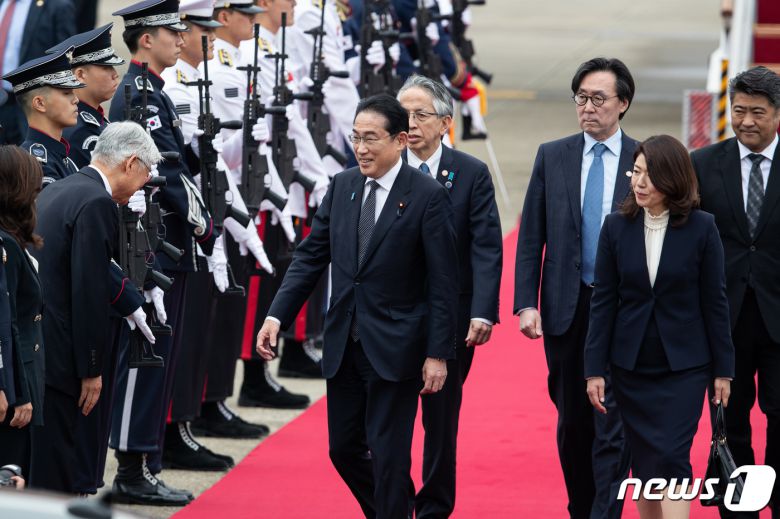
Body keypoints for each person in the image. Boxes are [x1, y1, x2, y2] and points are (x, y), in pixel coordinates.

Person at [256, 94, 457, 517]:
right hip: (344, 343)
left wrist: (438, 353)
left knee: (389, 456)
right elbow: (311, 257)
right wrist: (276, 316)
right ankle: (395, 510)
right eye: (355, 138)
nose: (361, 149)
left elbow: (443, 283)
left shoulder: (428, 196)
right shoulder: (343, 186)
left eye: (371, 139)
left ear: (400, 140)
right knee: (344, 448)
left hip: (396, 346)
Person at [107, 0, 226, 505]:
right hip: (152, 243)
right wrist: (205, 226)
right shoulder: (140, 93)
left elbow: (180, 161)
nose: (181, 38)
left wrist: (199, 147)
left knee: (160, 354)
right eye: (170, 32)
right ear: (145, 39)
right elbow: (167, 175)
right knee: (145, 355)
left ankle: (148, 460)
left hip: (165, 241)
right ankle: (132, 468)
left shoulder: (153, 90)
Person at [585, 134, 735, 519]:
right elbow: (604, 302)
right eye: (635, 172)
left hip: (685, 367)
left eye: (649, 175)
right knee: (645, 462)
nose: (639, 183)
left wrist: (724, 370)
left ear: (673, 178)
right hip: (630, 367)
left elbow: (715, 302)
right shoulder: (615, 227)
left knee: (671, 455)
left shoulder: (702, 228)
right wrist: (594, 369)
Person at [514, 57, 635, 519]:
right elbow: (531, 236)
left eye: (598, 98)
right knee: (573, 422)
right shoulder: (553, 155)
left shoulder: (643, 159)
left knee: (614, 421)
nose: (588, 107)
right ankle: (581, 507)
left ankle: (606, 511)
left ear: (623, 103)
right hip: (567, 305)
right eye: (581, 98)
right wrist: (526, 302)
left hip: (623, 308)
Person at [28, 121, 160, 494]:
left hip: (39, 346)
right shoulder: (97, 202)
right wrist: (91, 369)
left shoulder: (64, 188)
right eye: (145, 176)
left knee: (42, 467)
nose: (143, 186)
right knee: (59, 476)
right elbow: (88, 290)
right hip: (62, 355)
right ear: (130, 163)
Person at [396, 74, 502, 518]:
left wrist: (483, 311)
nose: (410, 123)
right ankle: (395, 502)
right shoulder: (384, 168)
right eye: (403, 114)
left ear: (444, 123)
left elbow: (486, 245)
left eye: (420, 115)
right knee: (390, 421)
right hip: (393, 317)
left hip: (452, 317)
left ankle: (435, 508)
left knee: (441, 421)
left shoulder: (470, 172)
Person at [690, 65, 780, 519]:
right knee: (730, 426)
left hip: (779, 321)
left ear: (777, 114)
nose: (746, 121)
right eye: (739, 110)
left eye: (757, 112)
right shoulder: (703, 164)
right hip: (724, 323)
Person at [0, 146, 44, 482]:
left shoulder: (12, 242)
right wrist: (20, 395)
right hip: (13, 395)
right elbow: (7, 323)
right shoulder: (7, 247)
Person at [0, 0, 76, 145]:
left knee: (31, 158)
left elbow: (66, 60)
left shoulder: (57, 6)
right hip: (2, 102)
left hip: (33, 106)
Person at [51, 23, 126, 169]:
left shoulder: (94, 120)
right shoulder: (80, 131)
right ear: (80, 75)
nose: (115, 74)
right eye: (106, 67)